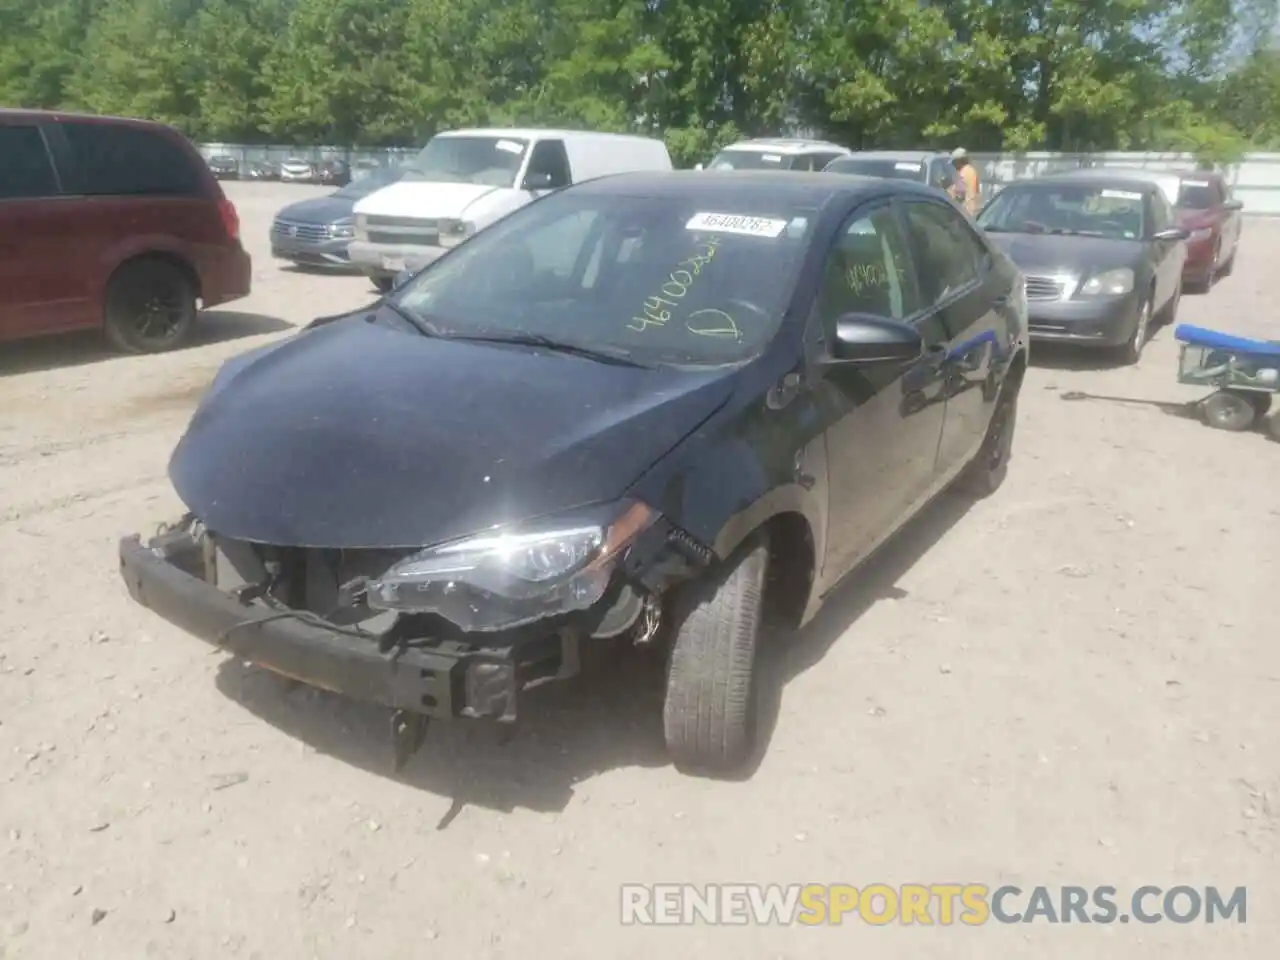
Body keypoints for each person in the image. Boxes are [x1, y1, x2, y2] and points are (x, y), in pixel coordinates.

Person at [948, 147, 981, 216]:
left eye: (954, 162)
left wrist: (950, 192)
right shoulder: (971, 170)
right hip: (975, 209)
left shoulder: (963, 173)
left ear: (959, 161)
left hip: (967, 212)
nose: (953, 165)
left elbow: (958, 194)